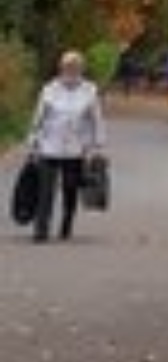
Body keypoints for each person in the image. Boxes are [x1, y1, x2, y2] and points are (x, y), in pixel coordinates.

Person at [27, 50, 106, 243]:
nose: (70, 70)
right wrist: (33, 143)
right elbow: (38, 118)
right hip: (49, 146)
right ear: (61, 68)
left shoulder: (90, 90)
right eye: (67, 67)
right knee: (45, 190)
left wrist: (98, 146)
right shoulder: (49, 89)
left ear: (81, 69)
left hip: (76, 149)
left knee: (70, 189)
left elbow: (96, 120)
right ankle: (41, 230)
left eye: (75, 67)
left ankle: (67, 222)